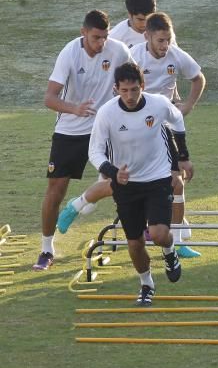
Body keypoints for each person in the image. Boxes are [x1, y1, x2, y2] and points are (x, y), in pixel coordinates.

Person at [57, 13, 206, 260]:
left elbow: (197, 79)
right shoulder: (133, 56)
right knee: (116, 184)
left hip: (159, 127)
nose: (165, 45)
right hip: (128, 127)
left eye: (168, 40)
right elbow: (116, 83)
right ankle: (77, 204)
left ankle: (177, 241)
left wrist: (186, 105)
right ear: (147, 37)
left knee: (176, 182)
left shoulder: (175, 55)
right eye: (160, 40)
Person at [34, 10, 132, 270]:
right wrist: (75, 108)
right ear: (83, 33)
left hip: (105, 127)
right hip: (71, 129)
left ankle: (86, 204)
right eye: (96, 37)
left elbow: (135, 79)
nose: (101, 43)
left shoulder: (118, 50)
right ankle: (46, 249)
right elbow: (49, 98)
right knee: (56, 189)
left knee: (125, 179)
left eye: (105, 37)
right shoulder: (69, 54)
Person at [88, 62, 188, 305]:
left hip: (157, 178)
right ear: (116, 89)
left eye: (134, 90)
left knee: (159, 233)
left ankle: (169, 251)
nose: (130, 96)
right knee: (134, 243)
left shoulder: (158, 104)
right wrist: (113, 172)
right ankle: (146, 284)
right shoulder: (107, 113)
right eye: (124, 91)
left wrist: (182, 158)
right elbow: (95, 151)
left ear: (142, 86)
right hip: (126, 184)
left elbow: (177, 121)